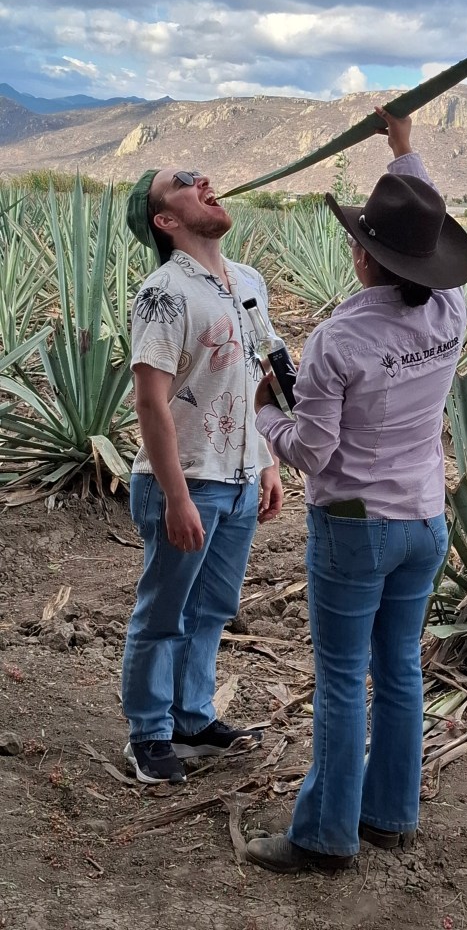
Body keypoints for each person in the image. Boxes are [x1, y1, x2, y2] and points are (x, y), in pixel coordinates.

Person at [245, 107, 467, 872]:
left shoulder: (340, 338)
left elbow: (312, 451)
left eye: (360, 242)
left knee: (343, 679)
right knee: (399, 669)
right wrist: (403, 148)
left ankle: (324, 836)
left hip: (353, 523)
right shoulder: (449, 307)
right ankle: (390, 816)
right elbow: (420, 217)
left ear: (364, 259)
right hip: (423, 522)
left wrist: (266, 415)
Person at [122, 166, 283, 785]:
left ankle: (192, 716)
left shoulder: (248, 281)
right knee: (164, 612)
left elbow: (256, 379)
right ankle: (149, 732)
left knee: (212, 608)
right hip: (186, 482)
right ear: (166, 219)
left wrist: (266, 462)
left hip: (238, 479)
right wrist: (176, 496)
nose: (204, 180)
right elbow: (150, 402)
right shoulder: (163, 293)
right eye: (185, 180)